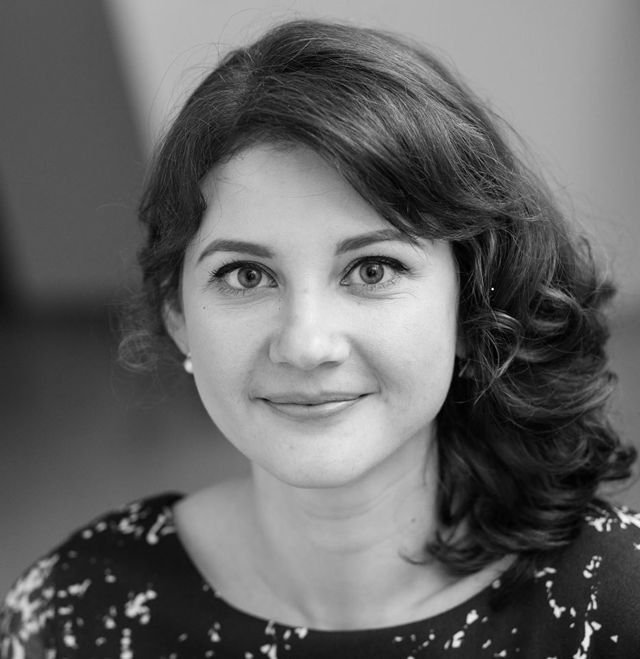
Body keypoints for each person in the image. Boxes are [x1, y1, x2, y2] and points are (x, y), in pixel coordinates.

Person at [1, 18, 639, 658]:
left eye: (372, 270)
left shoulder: (618, 601)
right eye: (246, 275)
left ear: (473, 311)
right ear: (178, 316)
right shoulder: (73, 612)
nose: (306, 345)